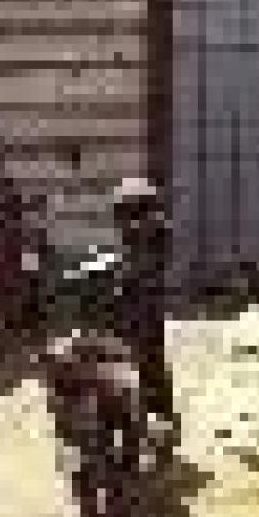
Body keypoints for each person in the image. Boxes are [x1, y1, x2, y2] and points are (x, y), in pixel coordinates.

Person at [107, 177, 176, 429]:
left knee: (149, 361)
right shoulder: (148, 230)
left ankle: (158, 415)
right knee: (141, 361)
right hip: (138, 304)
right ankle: (150, 414)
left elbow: (142, 269)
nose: (122, 222)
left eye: (125, 211)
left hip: (144, 305)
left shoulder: (152, 230)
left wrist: (124, 282)